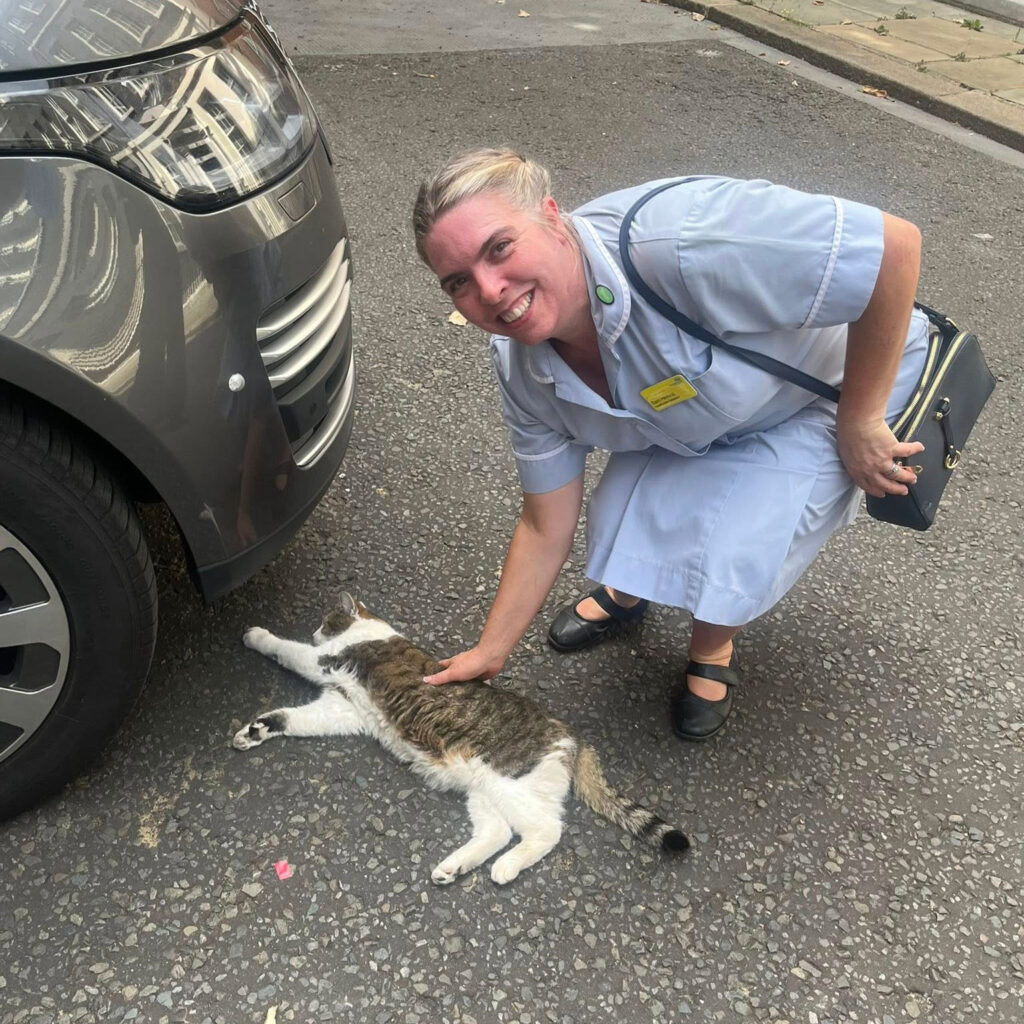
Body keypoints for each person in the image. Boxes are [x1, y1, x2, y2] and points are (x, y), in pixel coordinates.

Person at [411, 148, 928, 742]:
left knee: (731, 545)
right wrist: (490, 649)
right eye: (459, 283)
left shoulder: (681, 241)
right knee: (621, 512)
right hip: (696, 413)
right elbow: (544, 523)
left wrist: (860, 418)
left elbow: (894, 249)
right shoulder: (523, 368)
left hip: (824, 391)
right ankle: (631, 592)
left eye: (499, 248)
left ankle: (712, 650)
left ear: (552, 217)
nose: (492, 290)